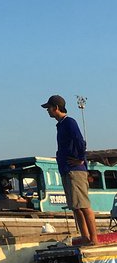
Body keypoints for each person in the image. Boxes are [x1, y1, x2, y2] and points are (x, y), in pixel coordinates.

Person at [42, 94, 99, 245]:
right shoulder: (60, 125)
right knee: (75, 207)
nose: (48, 111)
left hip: (76, 170)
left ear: (56, 108)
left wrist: (80, 158)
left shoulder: (69, 122)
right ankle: (85, 237)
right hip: (67, 170)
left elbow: (80, 141)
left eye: (49, 108)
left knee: (83, 205)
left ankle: (94, 239)